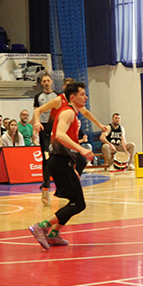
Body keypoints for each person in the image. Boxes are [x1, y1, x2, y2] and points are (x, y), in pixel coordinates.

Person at [28, 81, 96, 250]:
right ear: (72, 97)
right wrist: (81, 149)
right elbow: (59, 134)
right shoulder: (67, 112)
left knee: (75, 202)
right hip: (59, 161)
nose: (85, 97)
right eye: (82, 94)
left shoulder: (73, 111)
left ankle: (53, 234)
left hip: (64, 161)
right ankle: (42, 226)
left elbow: (86, 113)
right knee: (78, 204)